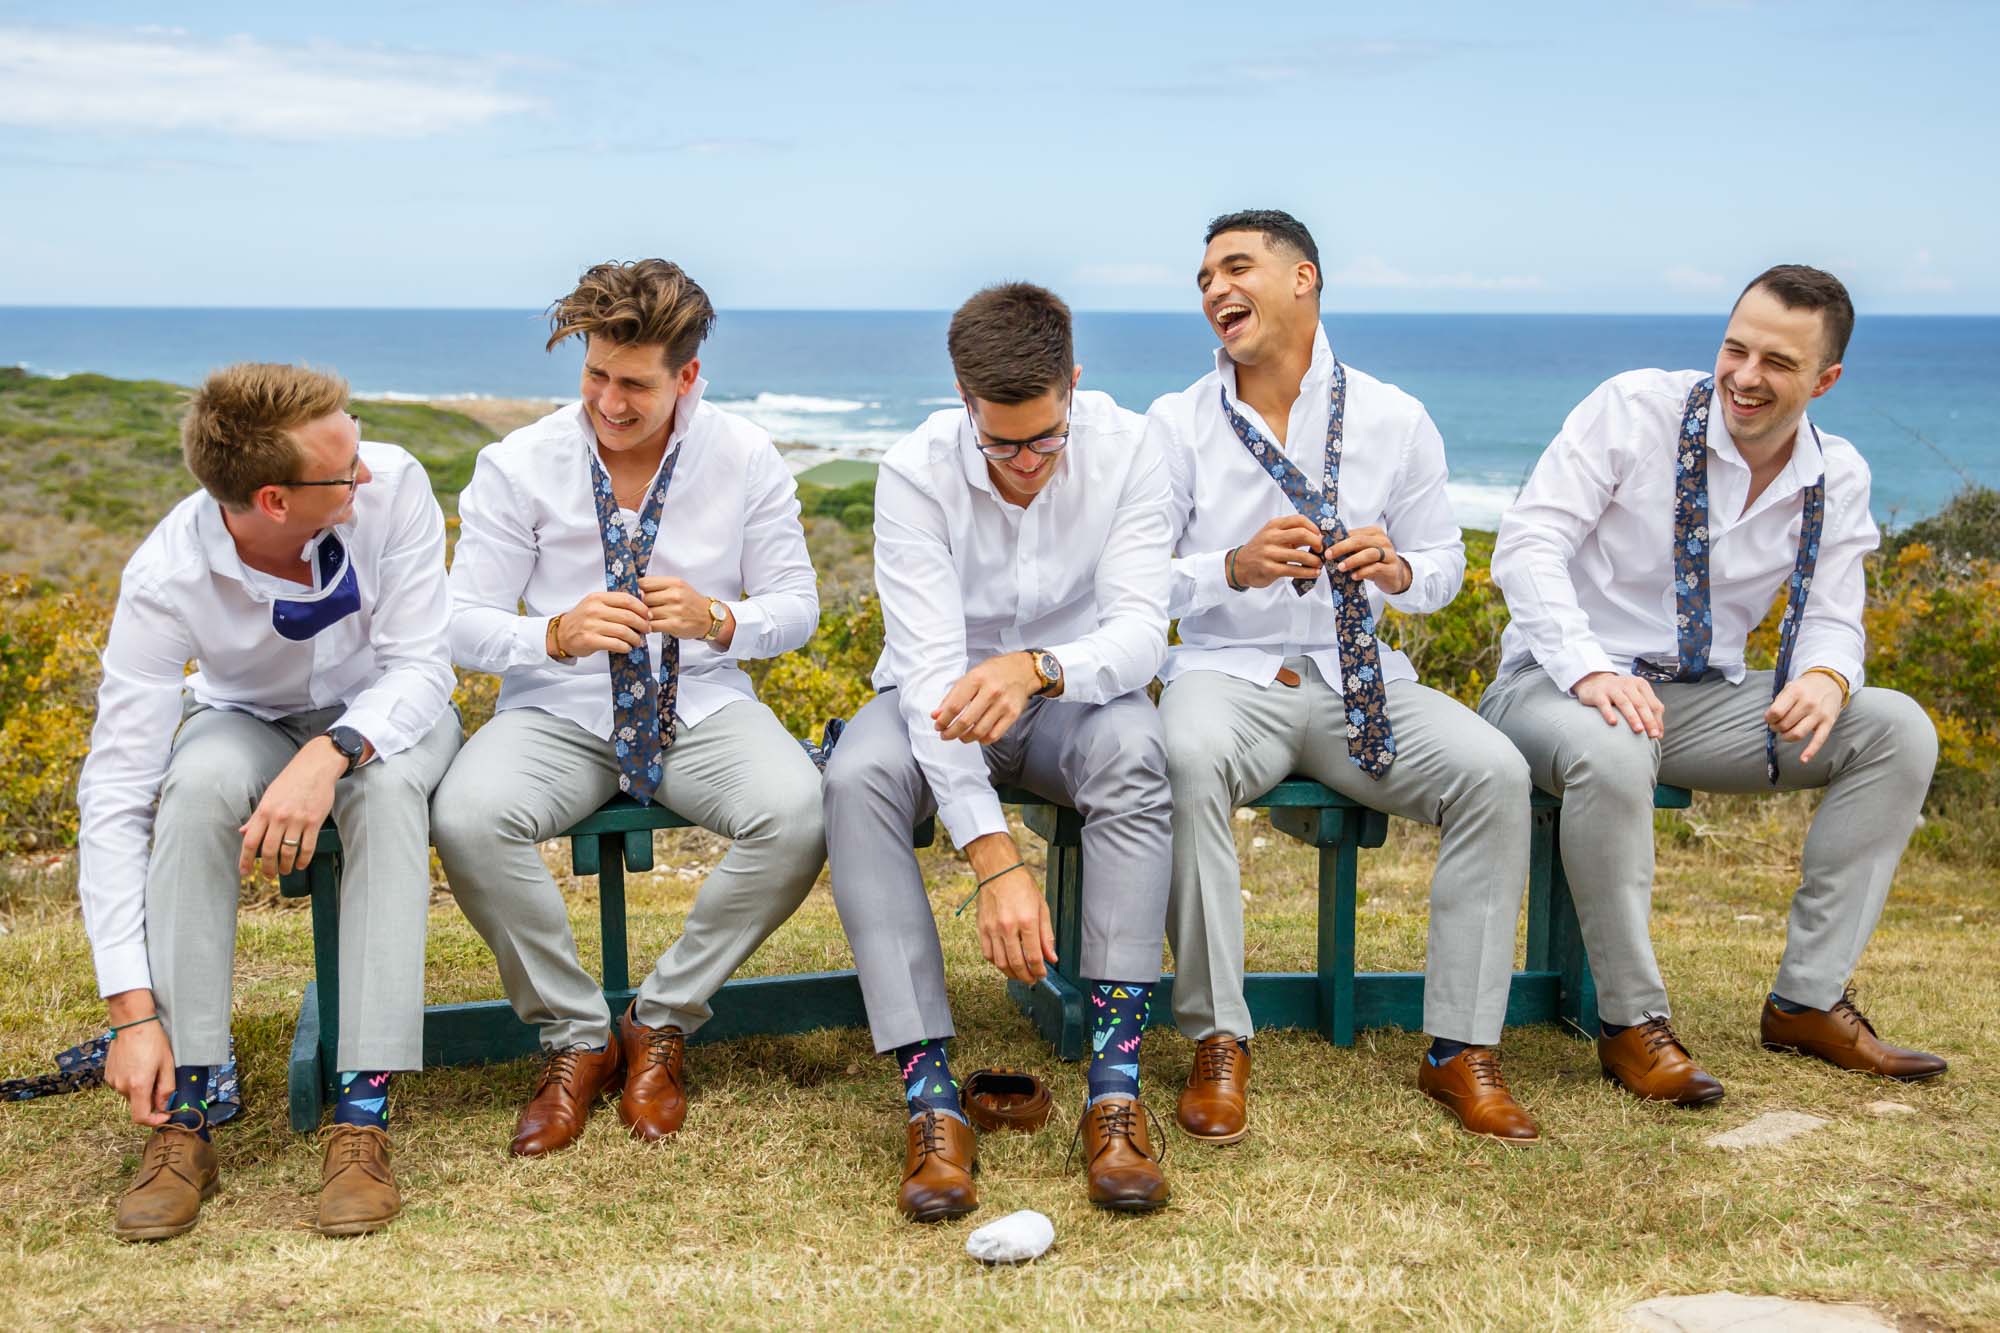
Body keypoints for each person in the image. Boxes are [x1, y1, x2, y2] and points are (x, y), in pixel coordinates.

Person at [1480, 264, 1946, 1105]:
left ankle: (1807, 1001)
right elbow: (1528, 545)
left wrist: (1827, 677)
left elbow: (1835, 615)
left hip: (1697, 701)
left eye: (1778, 362)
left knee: (1897, 728)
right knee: (1616, 744)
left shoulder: (1836, 474)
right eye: (1736, 348)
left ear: (1825, 380)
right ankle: (1633, 1023)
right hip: (1554, 684)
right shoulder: (1633, 410)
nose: (1745, 376)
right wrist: (1589, 667)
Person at [1148, 209, 1541, 1146]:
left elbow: (1444, 566)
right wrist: (1232, 566)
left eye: (1235, 268)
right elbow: (1134, 581)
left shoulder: (1395, 417)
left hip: (1363, 678)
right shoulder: (1174, 422)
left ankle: (1461, 1048)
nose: (1214, 290)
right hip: (1226, 674)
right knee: (1183, 755)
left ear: (1303, 279)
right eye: (1203, 279)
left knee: (1496, 773)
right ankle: (1217, 1038)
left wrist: (1398, 569)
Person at [432, 259, 825, 1156]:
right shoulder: (519, 463)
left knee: (799, 811)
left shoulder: (745, 456)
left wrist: (722, 619)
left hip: (701, 704)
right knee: (468, 815)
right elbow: (458, 622)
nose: (609, 401)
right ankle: (577, 1036)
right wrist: (553, 633)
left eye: (636, 384)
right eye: (596, 374)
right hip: (558, 710)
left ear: (688, 376)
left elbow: (798, 607)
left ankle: (660, 1020)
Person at [79, 363, 462, 1239]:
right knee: (194, 785)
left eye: (356, 443)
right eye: (343, 468)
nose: (366, 470)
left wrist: (333, 752)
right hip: (245, 718)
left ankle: (362, 1114)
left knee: (386, 792)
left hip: (390, 711)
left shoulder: (394, 484)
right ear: (273, 500)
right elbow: (116, 790)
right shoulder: (166, 574)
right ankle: (187, 1110)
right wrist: (129, 1013)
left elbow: (421, 665)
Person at [823, 282, 1176, 1220]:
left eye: (1046, 440)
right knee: (857, 776)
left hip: (1072, 695)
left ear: (1074, 383)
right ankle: (931, 1099)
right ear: (963, 400)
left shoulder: (1135, 447)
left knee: (1139, 747)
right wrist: (994, 858)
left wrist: (1041, 668)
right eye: (1001, 443)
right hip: (936, 700)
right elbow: (930, 678)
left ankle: (1115, 1089)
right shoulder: (914, 471)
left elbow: (1141, 634)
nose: (1025, 464)